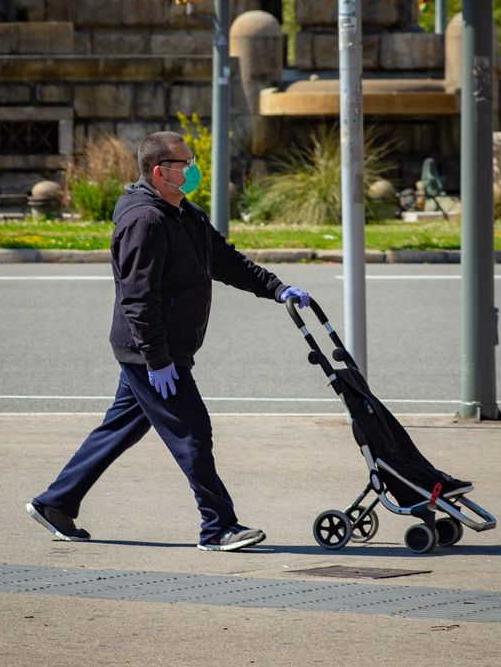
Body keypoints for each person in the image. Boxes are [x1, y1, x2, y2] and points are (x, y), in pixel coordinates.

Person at [27, 131, 310, 551]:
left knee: (119, 429)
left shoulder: (183, 213)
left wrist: (276, 288)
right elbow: (137, 297)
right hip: (151, 351)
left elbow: (224, 259)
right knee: (192, 431)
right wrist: (156, 359)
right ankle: (218, 527)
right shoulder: (146, 221)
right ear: (162, 172)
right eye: (186, 162)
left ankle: (56, 502)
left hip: (164, 348)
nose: (194, 168)